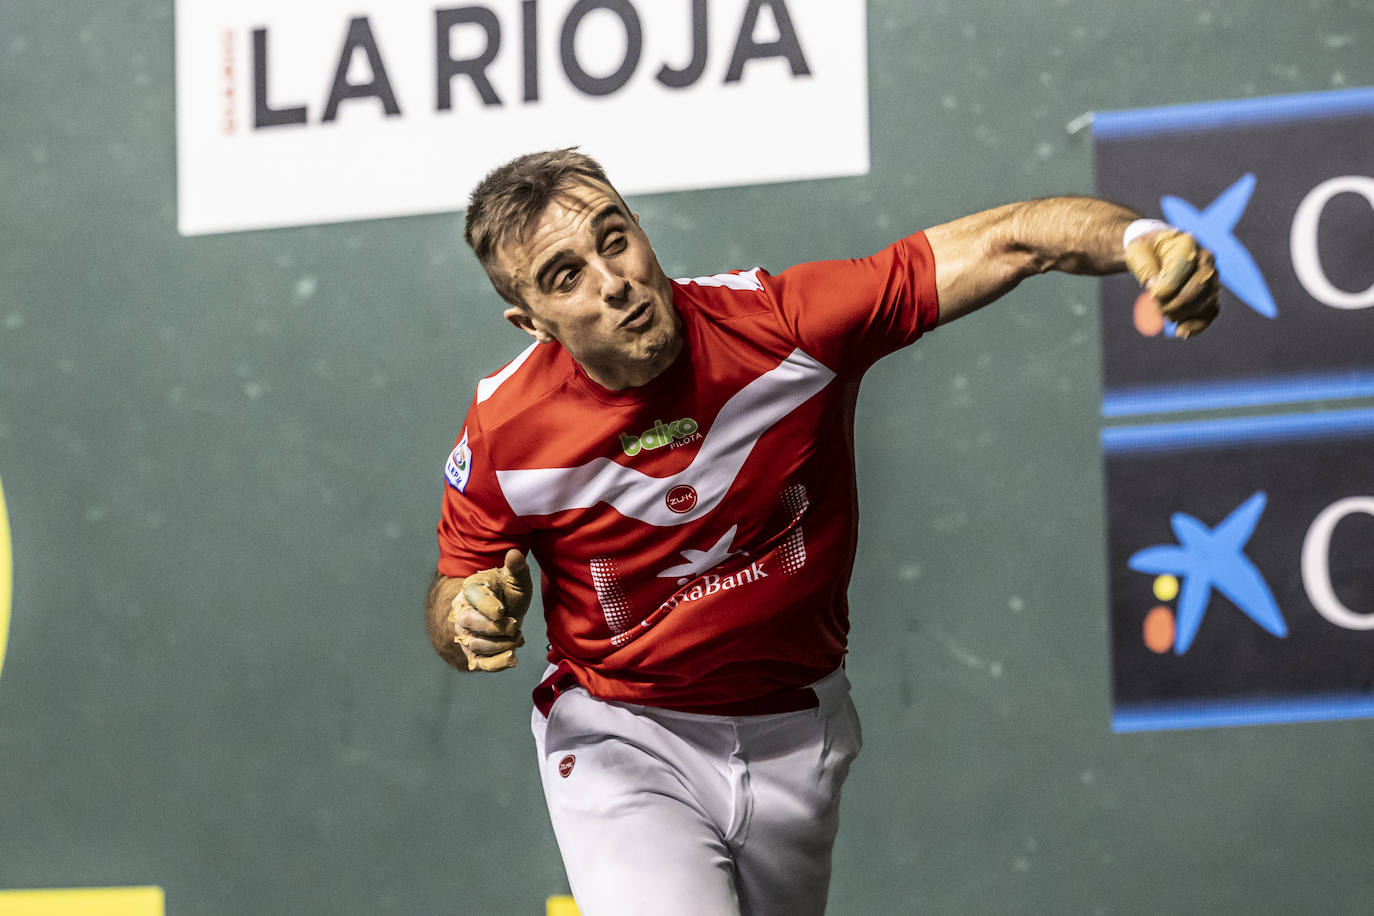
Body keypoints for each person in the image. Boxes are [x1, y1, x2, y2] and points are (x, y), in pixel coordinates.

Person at [425, 148, 1218, 915]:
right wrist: (465, 615)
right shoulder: (507, 430)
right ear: (531, 322)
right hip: (621, 733)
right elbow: (454, 590)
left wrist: (1140, 238)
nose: (615, 282)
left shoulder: (784, 325)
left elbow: (1012, 240)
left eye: (614, 237)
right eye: (568, 277)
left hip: (797, 732)